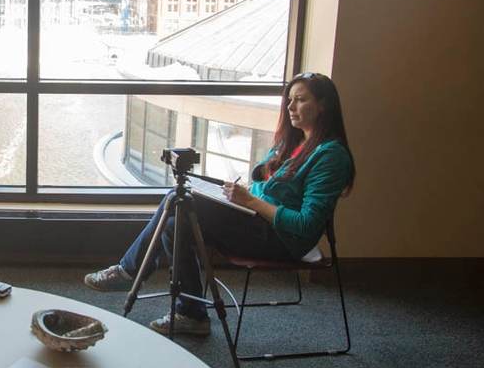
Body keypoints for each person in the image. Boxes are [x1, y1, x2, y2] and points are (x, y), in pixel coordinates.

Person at [84, 72, 355, 336]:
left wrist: (250, 201)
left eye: (301, 100)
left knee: (178, 199)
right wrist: (240, 196)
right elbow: (266, 189)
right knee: (173, 223)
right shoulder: (292, 141)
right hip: (255, 219)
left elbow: (306, 226)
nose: (291, 107)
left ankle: (130, 272)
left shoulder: (330, 157)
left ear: (323, 105)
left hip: (283, 240)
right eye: (289, 100)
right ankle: (191, 314)